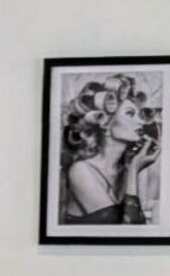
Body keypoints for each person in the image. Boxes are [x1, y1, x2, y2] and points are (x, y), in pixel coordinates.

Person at [58, 73, 162, 225]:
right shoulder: (80, 171)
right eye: (130, 114)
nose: (140, 121)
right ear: (105, 123)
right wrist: (134, 170)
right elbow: (126, 233)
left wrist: (133, 167)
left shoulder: (126, 167)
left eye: (139, 114)